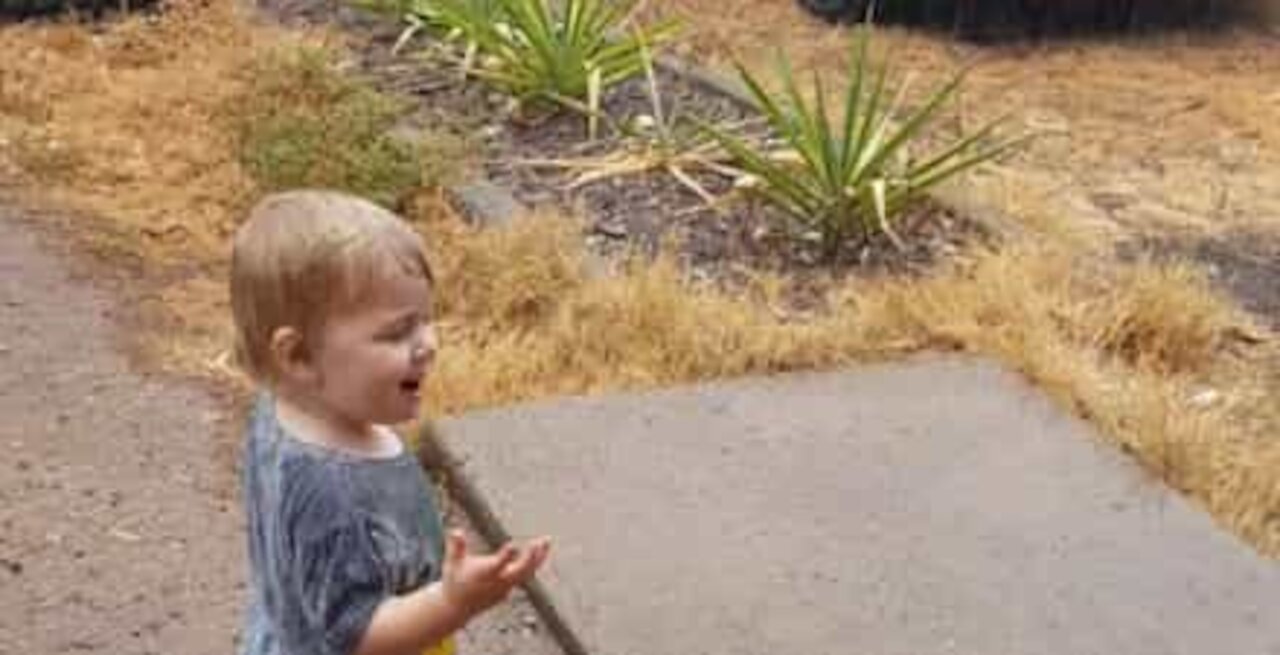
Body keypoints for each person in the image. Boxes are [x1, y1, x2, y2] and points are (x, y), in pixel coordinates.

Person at [230, 189, 551, 655]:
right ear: (298, 355)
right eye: (398, 331)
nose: (428, 345)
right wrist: (452, 601)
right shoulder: (334, 493)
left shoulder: (284, 408)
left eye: (426, 320)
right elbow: (356, 637)